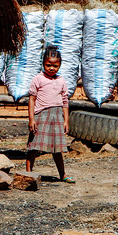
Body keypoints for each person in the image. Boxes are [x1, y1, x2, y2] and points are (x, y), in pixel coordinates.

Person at [26, 45, 73, 183]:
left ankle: (63, 175)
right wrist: (31, 119)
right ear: (43, 64)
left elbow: (65, 102)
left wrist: (66, 121)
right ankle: (28, 174)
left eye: (55, 66)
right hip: (41, 115)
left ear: (60, 65)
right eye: (48, 65)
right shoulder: (38, 79)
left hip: (57, 116)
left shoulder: (61, 80)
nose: (51, 68)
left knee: (57, 148)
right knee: (34, 145)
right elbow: (32, 100)